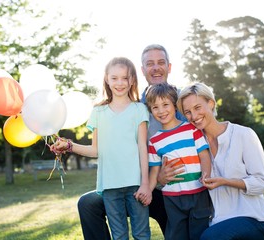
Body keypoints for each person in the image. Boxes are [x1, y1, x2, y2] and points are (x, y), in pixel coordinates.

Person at [75, 44, 186, 240]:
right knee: (88, 203)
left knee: (178, 230)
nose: (156, 68)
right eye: (149, 64)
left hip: (171, 189)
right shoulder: (137, 106)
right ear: (142, 71)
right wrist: (69, 145)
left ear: (169, 67)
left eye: (161, 62)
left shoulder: (182, 102)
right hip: (133, 183)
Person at [52, 57, 151, 239]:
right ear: (106, 79)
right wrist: (69, 145)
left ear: (132, 80)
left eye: (125, 78)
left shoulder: (139, 109)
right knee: (119, 234)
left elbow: (143, 150)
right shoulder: (98, 112)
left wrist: (145, 183)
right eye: (114, 78)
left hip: (136, 184)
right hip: (110, 186)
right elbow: (95, 150)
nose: (120, 83)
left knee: (142, 233)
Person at [177, 82, 264, 240]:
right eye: (187, 112)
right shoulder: (193, 146)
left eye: (197, 107)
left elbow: (263, 183)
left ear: (211, 103)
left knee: (209, 238)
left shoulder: (243, 134)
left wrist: (225, 181)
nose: (193, 116)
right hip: (215, 222)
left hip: (252, 218)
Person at [145, 82, 213, 240]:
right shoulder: (154, 141)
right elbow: (155, 171)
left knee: (199, 233)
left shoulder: (191, 129)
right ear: (150, 110)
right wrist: (148, 190)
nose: (161, 111)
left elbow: (204, 155)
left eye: (165, 104)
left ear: (175, 105)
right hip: (172, 198)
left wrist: (206, 175)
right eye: (155, 107)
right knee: (176, 234)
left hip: (198, 193)